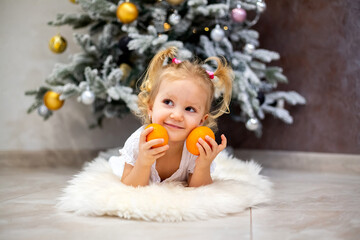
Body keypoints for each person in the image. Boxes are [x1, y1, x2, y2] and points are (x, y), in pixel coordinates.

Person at [109, 47, 233, 187]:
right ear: (151, 107)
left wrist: (203, 165)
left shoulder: (195, 148)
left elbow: (198, 190)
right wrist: (143, 162)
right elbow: (129, 187)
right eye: (168, 102)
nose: (177, 115)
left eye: (190, 109)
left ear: (201, 120)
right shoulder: (139, 142)